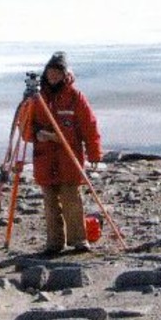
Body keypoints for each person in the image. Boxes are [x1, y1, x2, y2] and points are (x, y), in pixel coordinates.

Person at [25, 51, 102, 255]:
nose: (53, 76)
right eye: (50, 72)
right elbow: (23, 126)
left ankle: (79, 240)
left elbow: (89, 126)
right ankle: (54, 243)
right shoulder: (36, 98)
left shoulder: (75, 97)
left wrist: (94, 153)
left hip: (69, 158)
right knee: (50, 204)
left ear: (65, 74)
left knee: (72, 200)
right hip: (45, 158)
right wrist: (36, 134)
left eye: (57, 73)